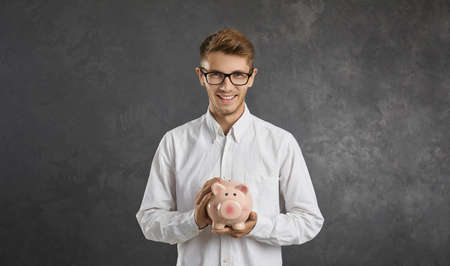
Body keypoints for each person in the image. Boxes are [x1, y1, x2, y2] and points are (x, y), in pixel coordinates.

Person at [136, 28, 324, 266]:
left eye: (237, 75)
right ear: (201, 76)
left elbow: (309, 221)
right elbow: (149, 221)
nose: (226, 87)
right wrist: (194, 220)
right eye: (216, 74)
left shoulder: (280, 143)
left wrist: (257, 225)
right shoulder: (175, 142)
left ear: (252, 77)